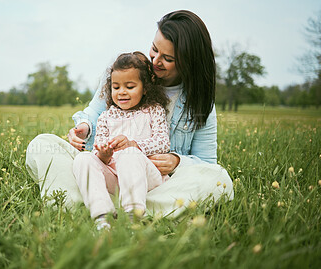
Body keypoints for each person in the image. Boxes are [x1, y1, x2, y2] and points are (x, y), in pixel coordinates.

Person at [26, 10, 234, 218]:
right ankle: (122, 207)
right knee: (42, 145)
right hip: (106, 172)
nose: (155, 60)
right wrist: (84, 128)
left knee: (220, 180)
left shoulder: (200, 102)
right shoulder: (127, 72)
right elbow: (93, 113)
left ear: (188, 62)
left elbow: (207, 163)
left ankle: (106, 207)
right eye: (154, 49)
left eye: (167, 58)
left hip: (156, 184)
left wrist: (177, 161)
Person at [73, 52, 170, 229]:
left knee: (129, 153)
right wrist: (103, 154)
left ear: (145, 88)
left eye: (130, 86)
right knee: (83, 159)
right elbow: (97, 153)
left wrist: (134, 145)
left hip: (147, 177)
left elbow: (163, 142)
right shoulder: (106, 117)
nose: (122, 92)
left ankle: (134, 218)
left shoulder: (153, 111)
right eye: (116, 87)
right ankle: (102, 217)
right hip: (116, 179)